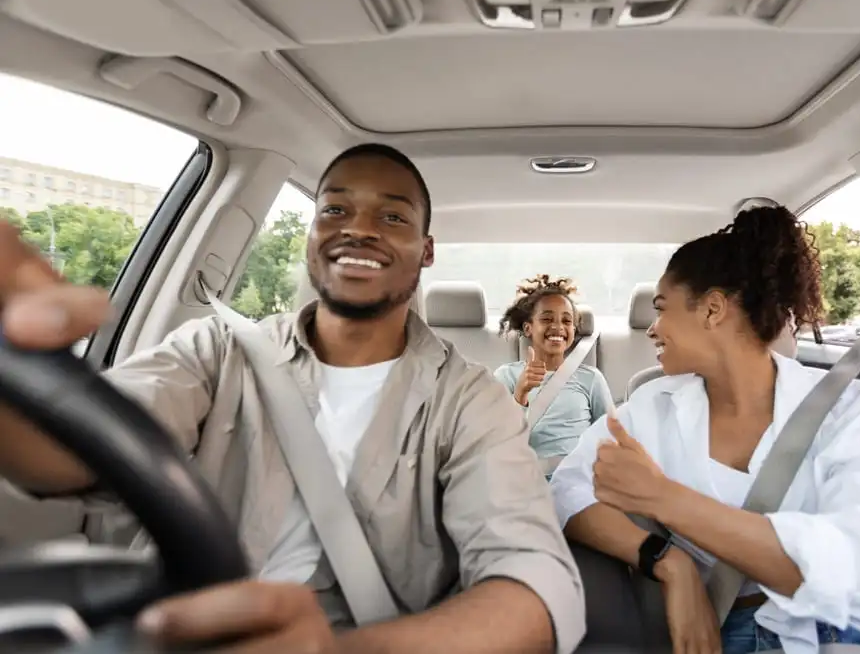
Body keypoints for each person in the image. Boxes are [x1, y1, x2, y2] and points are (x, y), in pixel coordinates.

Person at [0, 143, 584, 653]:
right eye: (334, 209)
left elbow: (536, 587)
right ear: (310, 233)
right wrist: (21, 372)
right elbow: (70, 456)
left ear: (426, 250)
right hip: (185, 631)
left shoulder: (468, 398)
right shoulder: (215, 349)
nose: (359, 227)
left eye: (392, 215)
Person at [550, 205, 860, 654]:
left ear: (712, 310)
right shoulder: (652, 408)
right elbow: (567, 491)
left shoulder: (853, 414)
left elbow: (858, 573)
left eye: (662, 309)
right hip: (723, 633)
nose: (653, 329)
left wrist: (663, 498)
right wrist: (669, 562)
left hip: (846, 635)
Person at [494, 275, 613, 470]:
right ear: (528, 327)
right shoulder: (506, 376)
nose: (558, 326)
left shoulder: (591, 378)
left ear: (573, 330)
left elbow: (610, 437)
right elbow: (496, 444)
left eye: (567, 321)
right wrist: (520, 395)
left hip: (577, 481)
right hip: (524, 481)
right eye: (547, 319)